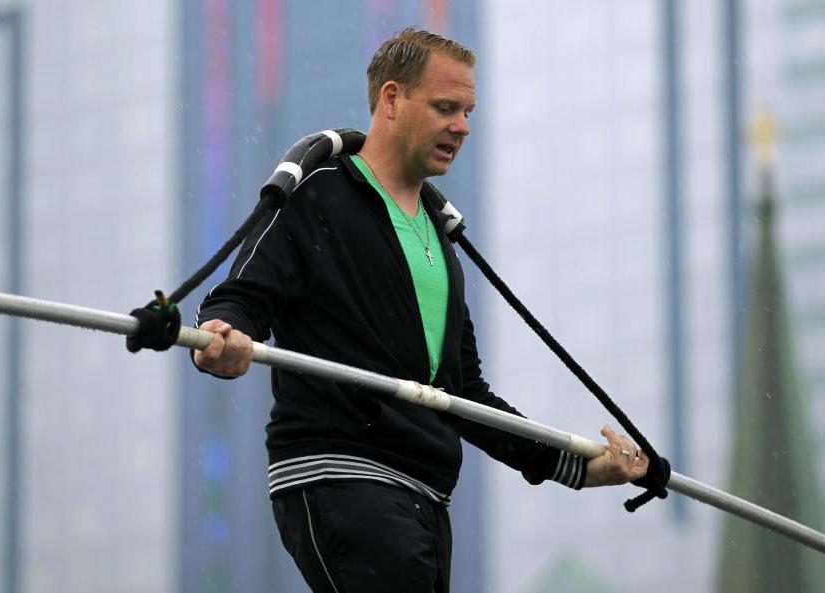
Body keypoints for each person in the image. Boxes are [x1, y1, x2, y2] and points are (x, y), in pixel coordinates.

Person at [193, 27, 648, 593]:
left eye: (468, 111)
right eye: (445, 107)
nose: (461, 126)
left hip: (425, 498)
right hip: (342, 474)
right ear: (391, 99)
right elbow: (240, 296)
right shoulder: (318, 192)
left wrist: (577, 467)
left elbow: (465, 397)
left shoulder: (441, 239)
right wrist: (223, 334)